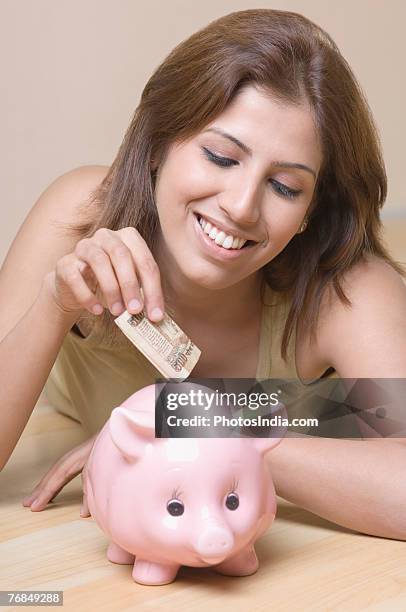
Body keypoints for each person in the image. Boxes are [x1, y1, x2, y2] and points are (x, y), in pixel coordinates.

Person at [1, 8, 406, 540]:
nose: (240, 207)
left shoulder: (346, 289)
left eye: (285, 187)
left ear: (313, 209)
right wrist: (53, 305)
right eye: (220, 156)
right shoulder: (81, 218)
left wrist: (204, 429)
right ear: (159, 141)